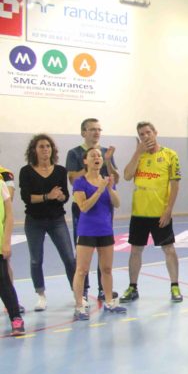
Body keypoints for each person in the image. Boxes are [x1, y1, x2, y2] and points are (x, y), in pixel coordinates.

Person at [120, 122, 183, 303]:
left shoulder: (170, 155)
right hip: (139, 213)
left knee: (168, 249)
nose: (145, 136)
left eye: (148, 132)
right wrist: (137, 153)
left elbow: (175, 185)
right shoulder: (139, 156)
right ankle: (133, 287)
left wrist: (168, 210)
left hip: (159, 213)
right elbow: (127, 175)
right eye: (141, 134)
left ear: (155, 133)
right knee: (135, 250)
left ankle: (175, 286)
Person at [18, 134, 77, 310]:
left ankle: (77, 292)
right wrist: (47, 196)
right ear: (34, 150)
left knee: (69, 258)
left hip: (57, 220)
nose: (45, 149)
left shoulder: (60, 171)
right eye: (41, 146)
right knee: (36, 260)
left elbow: (65, 196)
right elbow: (27, 197)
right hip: (34, 221)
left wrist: (60, 197)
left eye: (48, 146)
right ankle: (41, 295)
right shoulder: (26, 171)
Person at [66, 118, 120, 302]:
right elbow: (73, 179)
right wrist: (92, 165)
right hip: (84, 212)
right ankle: (82, 294)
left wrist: (107, 161)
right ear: (83, 132)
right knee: (83, 261)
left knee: (106, 263)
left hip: (104, 211)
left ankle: (104, 292)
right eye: (92, 129)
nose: (96, 132)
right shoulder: (74, 153)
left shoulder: (106, 153)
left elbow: (115, 177)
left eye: (99, 129)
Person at [70, 148, 125, 320]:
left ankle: (109, 301)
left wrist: (109, 188)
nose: (97, 157)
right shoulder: (80, 182)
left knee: (106, 269)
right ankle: (79, 306)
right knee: (82, 270)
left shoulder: (107, 181)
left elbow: (117, 203)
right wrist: (99, 190)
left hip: (105, 230)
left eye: (99, 155)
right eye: (93, 155)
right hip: (87, 231)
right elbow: (84, 207)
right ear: (85, 161)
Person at [1, 180, 25, 336]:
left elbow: (9, 216)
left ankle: (16, 318)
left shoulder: (1, 185)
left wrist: (6, 242)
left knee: (3, 282)